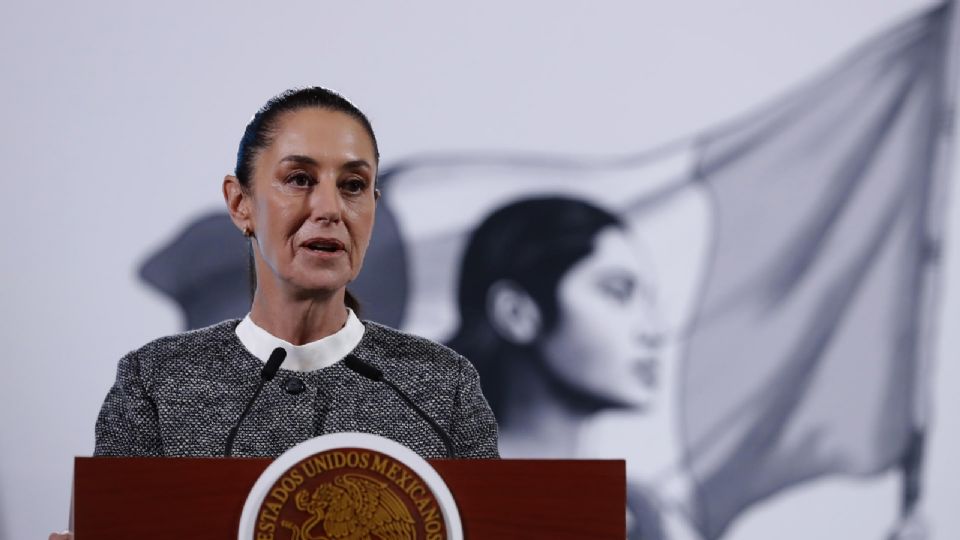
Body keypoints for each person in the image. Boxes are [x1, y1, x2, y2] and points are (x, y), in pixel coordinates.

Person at [92, 87, 500, 460]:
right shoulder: (154, 384)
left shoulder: (443, 387)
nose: (329, 208)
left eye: (353, 185)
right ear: (240, 204)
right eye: (299, 179)